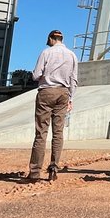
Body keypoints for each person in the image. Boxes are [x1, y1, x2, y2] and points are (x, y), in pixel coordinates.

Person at [27, 29, 78, 182]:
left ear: (51, 38)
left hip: (46, 91)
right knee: (58, 132)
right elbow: (74, 80)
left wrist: (34, 73)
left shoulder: (46, 53)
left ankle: (35, 171)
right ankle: (54, 168)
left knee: (41, 132)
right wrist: (71, 98)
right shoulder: (72, 55)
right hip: (63, 93)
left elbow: (36, 75)